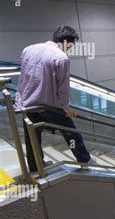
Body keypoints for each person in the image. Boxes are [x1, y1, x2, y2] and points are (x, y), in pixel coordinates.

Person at [16, 25, 94, 172]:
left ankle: (35, 166)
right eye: (71, 45)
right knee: (70, 131)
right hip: (49, 105)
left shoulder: (28, 49)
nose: (70, 49)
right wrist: (65, 108)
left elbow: (25, 75)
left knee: (32, 135)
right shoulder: (61, 57)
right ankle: (85, 160)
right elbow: (62, 87)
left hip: (28, 103)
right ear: (67, 42)